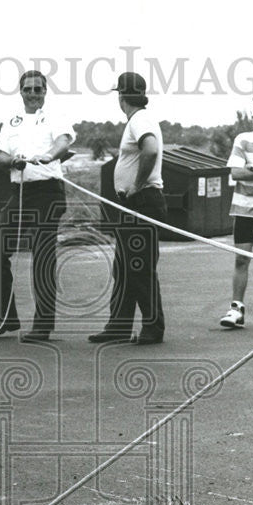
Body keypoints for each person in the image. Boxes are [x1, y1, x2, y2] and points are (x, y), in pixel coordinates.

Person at [0, 70, 75, 343]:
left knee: (43, 258)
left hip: (48, 193)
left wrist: (48, 156)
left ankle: (43, 325)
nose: (33, 94)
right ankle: (6, 319)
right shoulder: (11, 121)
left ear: (45, 92)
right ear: (20, 91)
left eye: (38, 89)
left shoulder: (55, 117)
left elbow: (64, 141)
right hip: (20, 193)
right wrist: (11, 161)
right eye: (28, 89)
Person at [88, 72, 166, 345]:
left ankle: (153, 328)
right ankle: (119, 326)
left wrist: (135, 186)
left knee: (139, 267)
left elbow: (151, 150)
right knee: (123, 268)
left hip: (141, 201)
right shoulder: (138, 119)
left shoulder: (140, 120)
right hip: (135, 203)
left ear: (121, 97)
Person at [219, 93, 253, 329]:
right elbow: (235, 173)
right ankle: (236, 309)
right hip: (244, 210)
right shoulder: (243, 139)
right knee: (241, 260)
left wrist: (252, 166)